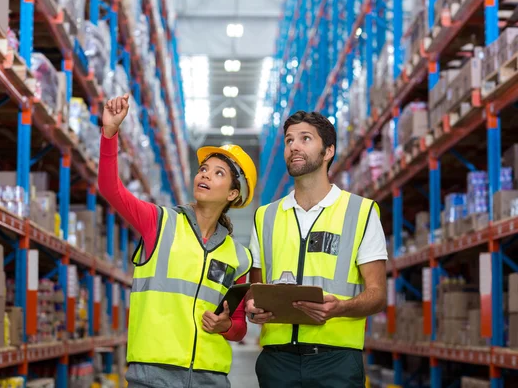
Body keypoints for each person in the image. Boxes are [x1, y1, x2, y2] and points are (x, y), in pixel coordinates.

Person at [98, 94, 258, 388]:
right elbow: (111, 189)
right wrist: (109, 134)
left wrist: (225, 326)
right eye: (203, 170)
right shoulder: (159, 223)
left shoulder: (239, 257)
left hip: (209, 380)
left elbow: (238, 327)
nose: (205, 175)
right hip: (152, 376)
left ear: (233, 194)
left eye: (218, 173)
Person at [245, 110, 388, 388]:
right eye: (289, 140)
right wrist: (254, 309)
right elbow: (256, 288)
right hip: (277, 362)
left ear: (328, 151)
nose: (294, 147)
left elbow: (378, 294)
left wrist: (341, 308)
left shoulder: (360, 212)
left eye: (305, 139)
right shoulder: (266, 216)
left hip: (336, 361)